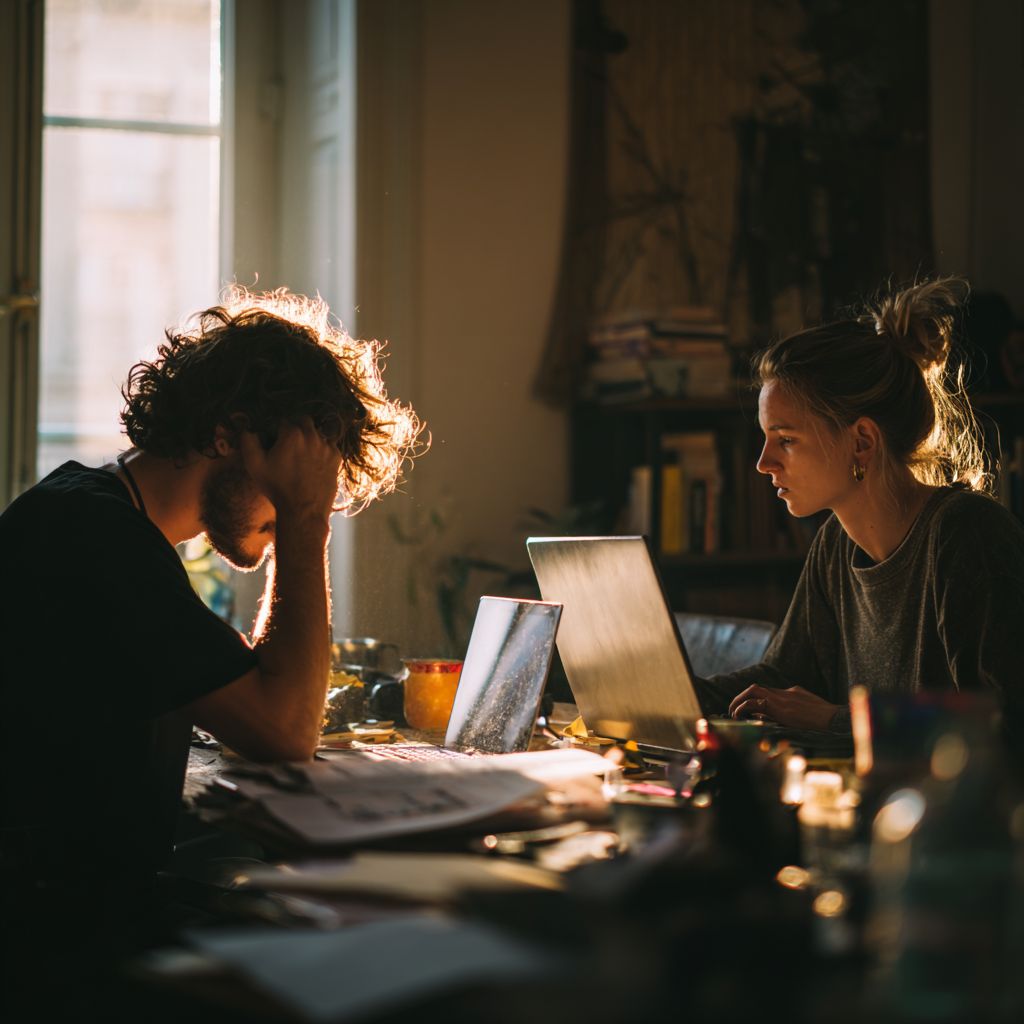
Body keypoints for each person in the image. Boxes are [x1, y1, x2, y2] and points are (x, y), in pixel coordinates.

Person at [0, 286, 423, 890]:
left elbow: (258, 702)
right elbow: (284, 731)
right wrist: (304, 520)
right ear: (231, 437)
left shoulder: (97, 517)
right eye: (296, 475)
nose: (299, 499)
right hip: (54, 923)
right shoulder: (94, 538)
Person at [696, 278, 1024, 741]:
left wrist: (834, 719)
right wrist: (658, 698)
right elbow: (783, 678)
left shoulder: (967, 533)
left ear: (862, 442)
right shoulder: (836, 541)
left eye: (786, 440)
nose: (763, 463)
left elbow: (1004, 724)